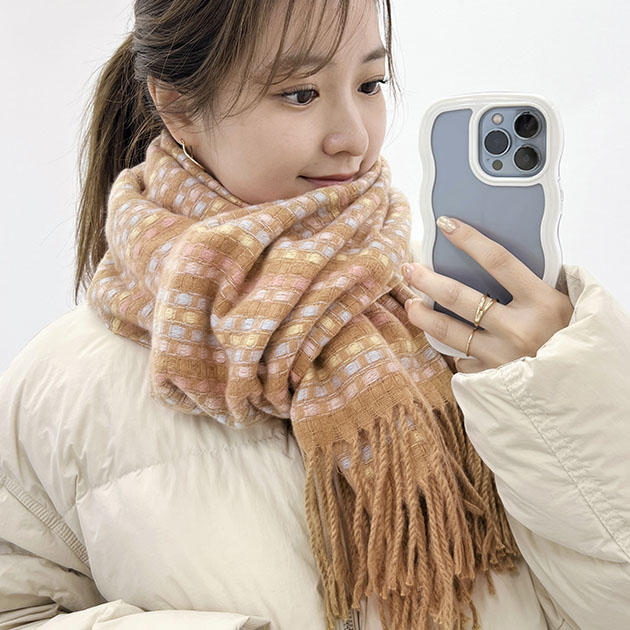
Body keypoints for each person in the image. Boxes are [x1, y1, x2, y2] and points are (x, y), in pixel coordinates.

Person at [1, 0, 628, 629]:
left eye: (370, 84)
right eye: (300, 94)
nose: (353, 137)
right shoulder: (58, 392)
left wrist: (554, 393)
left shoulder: (477, 326)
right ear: (179, 106)